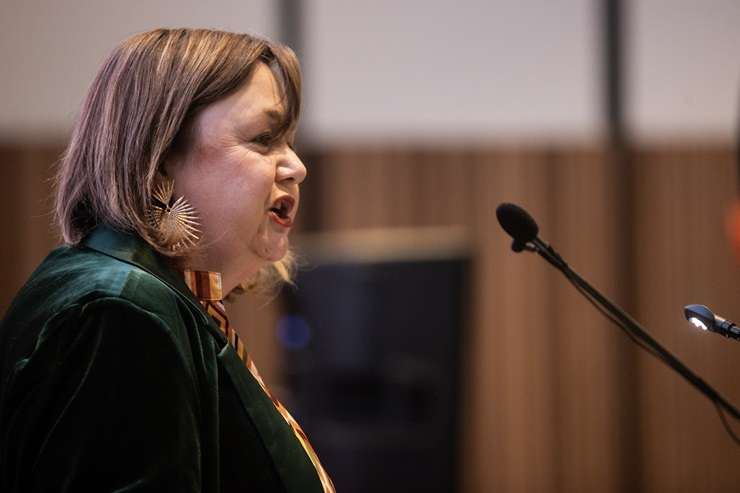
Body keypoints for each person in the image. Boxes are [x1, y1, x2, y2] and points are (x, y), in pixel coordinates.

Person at [0, 28, 334, 493]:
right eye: (263, 138)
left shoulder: (151, 297)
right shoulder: (119, 311)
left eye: (289, 141)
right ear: (158, 161)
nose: (296, 166)